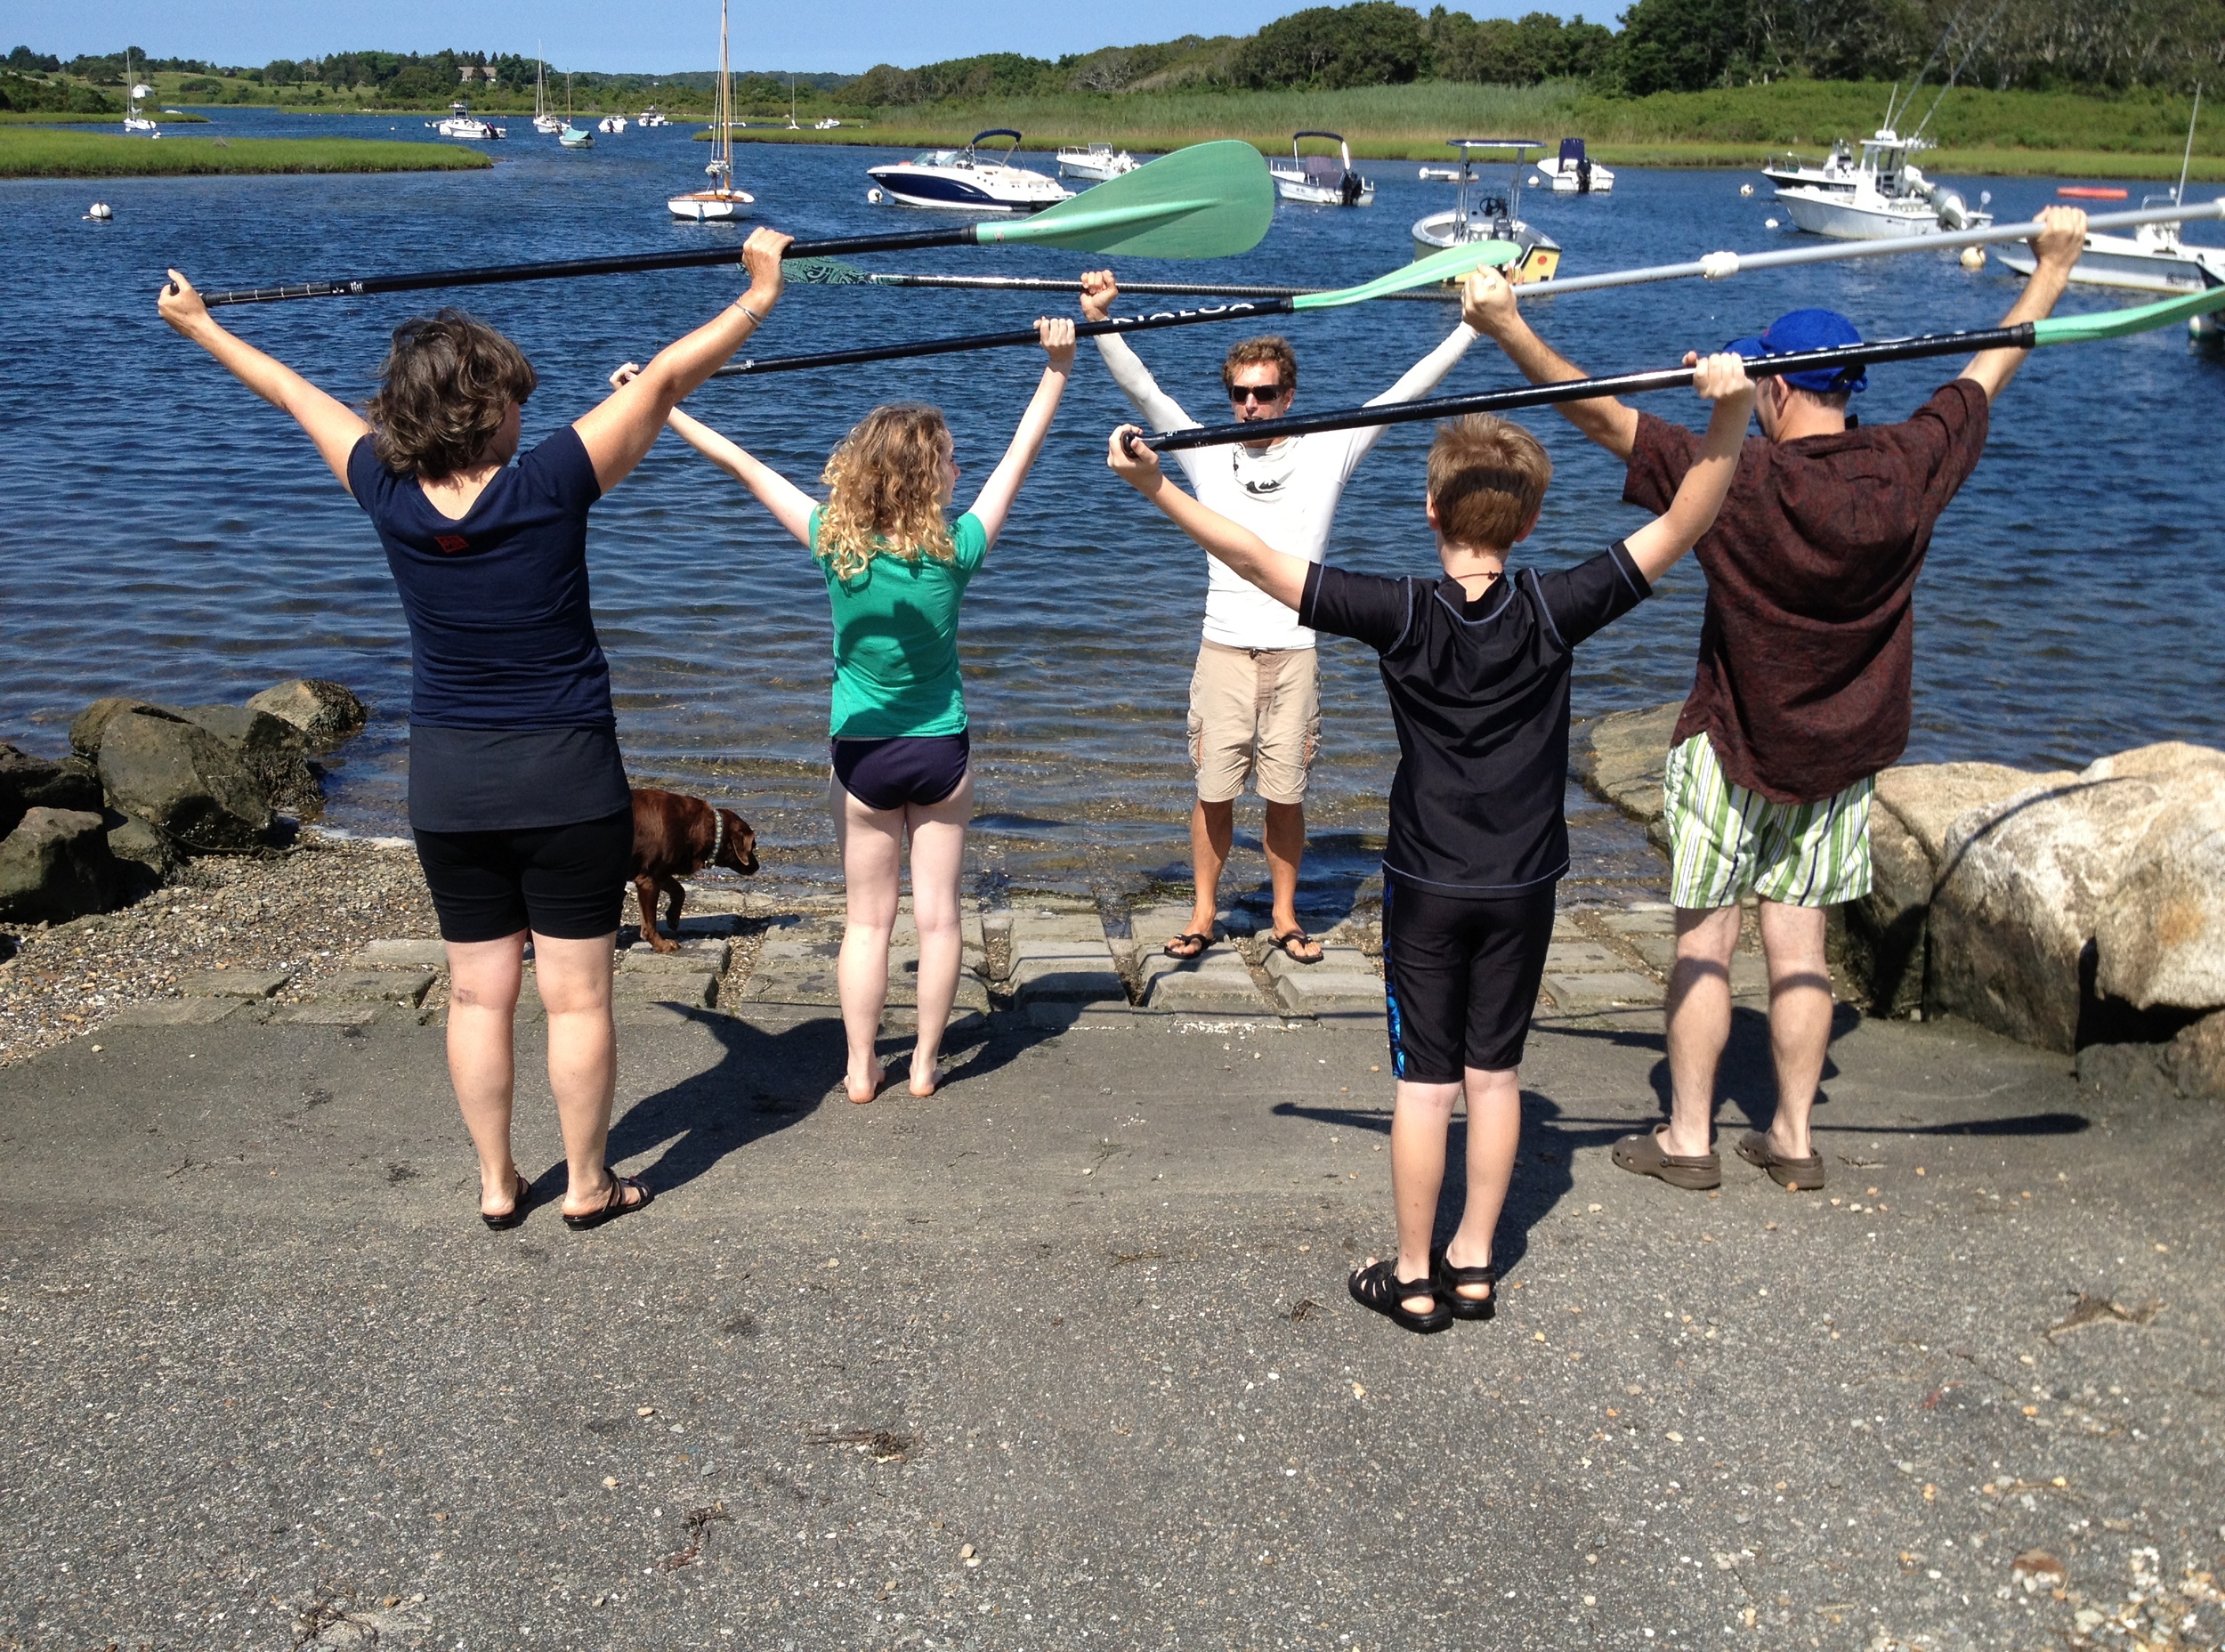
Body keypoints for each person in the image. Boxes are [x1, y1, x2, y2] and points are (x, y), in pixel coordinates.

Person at [1105, 272, 1757, 1332]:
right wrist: (1728, 410)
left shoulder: (1398, 612)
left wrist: (1158, 492)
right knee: (1494, 1079)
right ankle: (1474, 1264)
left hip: (1425, 882)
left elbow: (1258, 561)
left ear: (1429, 509)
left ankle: (1413, 1277)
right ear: (1533, 517)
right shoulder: (1560, 604)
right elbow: (1689, 516)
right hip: (1523, 882)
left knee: (1424, 1082)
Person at [155, 226, 796, 1232]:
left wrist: (200, 325)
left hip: (449, 790)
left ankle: (499, 1185)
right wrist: (757, 296)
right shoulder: (550, 483)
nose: (526, 407)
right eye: (512, 395)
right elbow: (667, 380)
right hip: (568, 785)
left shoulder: (385, 490)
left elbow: (288, 392)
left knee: (476, 997)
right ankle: (586, 1185)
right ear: (483, 408)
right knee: (578, 1000)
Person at [1460, 208, 2092, 1194]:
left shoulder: (1737, 477)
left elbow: (1592, 413)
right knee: (1801, 949)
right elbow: (1986, 368)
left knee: (1705, 942)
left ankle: (1688, 1139)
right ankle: (1792, 1138)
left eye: (1762, 380)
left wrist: (1504, 328)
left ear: (1782, 385)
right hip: (1841, 754)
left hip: (1730, 747)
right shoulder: (1909, 468)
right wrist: (2050, 271)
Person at [616, 318, 1077, 1105]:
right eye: (950, 459)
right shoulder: (957, 547)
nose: (962, 466)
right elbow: (1021, 455)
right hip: (942, 753)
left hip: (863, 757)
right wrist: (1058, 368)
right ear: (930, 477)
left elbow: (740, 462)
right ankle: (927, 1064)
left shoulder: (835, 541)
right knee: (938, 920)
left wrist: (653, 398)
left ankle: (863, 1067)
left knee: (867, 923)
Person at [1078, 269, 1490, 967]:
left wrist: (1473, 328)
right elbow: (1145, 390)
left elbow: (1405, 393)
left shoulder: (1329, 449)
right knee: (1212, 793)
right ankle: (1204, 915)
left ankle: (1285, 915)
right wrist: (1100, 320)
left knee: (1285, 795)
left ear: (1288, 395)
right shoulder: (1207, 451)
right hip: (1223, 653)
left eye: (1263, 394)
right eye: (1238, 394)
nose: (1249, 406)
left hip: (1294, 654)